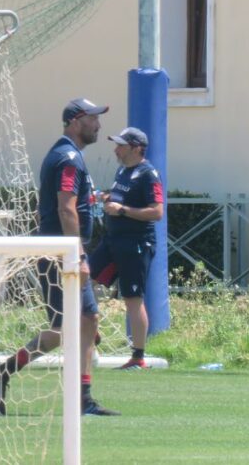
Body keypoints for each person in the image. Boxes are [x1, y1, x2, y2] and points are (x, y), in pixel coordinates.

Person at [0, 98, 120, 416]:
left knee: (85, 322)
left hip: (61, 250)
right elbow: (65, 208)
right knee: (67, 328)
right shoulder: (68, 157)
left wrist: (94, 198)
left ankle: (82, 397)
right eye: (93, 119)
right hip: (62, 253)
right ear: (76, 121)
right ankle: (1, 373)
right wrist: (78, 255)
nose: (99, 125)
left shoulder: (68, 156)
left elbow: (64, 202)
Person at [89, 126, 164, 370]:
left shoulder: (148, 174)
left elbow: (157, 211)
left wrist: (122, 210)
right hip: (113, 239)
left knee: (132, 299)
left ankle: (138, 357)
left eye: (121, 145)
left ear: (135, 148)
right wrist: (107, 198)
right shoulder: (123, 171)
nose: (115, 149)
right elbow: (122, 198)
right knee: (81, 279)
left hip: (136, 244)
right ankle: (91, 330)